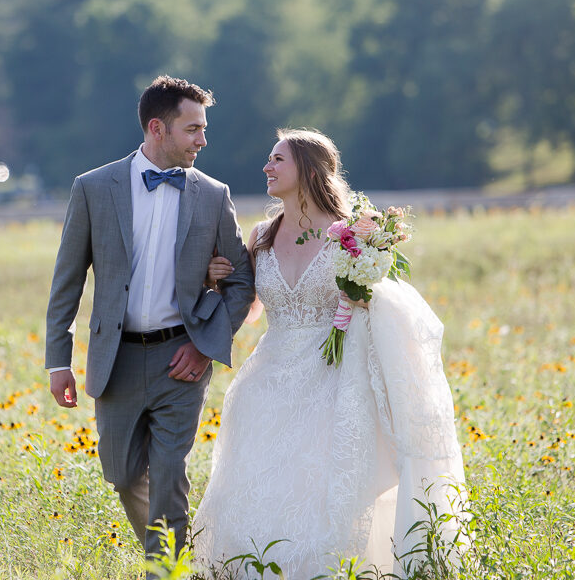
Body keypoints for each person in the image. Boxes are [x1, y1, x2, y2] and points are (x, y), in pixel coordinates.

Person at [192, 129, 467, 578]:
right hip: (269, 379)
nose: (267, 167)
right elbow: (251, 307)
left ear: (308, 169)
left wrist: (365, 298)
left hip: (334, 375)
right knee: (262, 483)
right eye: (269, 159)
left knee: (324, 485)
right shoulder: (260, 236)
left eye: (278, 159)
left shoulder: (355, 233)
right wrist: (214, 280)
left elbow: (387, 300)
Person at [44, 76, 255, 559]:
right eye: (193, 129)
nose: (203, 140)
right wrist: (59, 361)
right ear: (158, 128)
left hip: (180, 357)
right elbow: (67, 281)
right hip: (113, 358)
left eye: (203, 129)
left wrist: (205, 346)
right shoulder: (93, 188)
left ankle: (168, 571)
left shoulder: (213, 194)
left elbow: (242, 279)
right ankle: (177, 560)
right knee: (121, 475)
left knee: (168, 474)